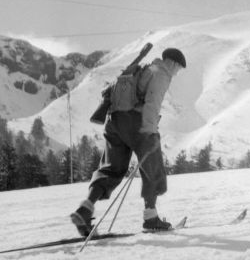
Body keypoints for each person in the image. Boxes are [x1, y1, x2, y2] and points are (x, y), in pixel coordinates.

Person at [70, 47, 186, 235]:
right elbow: (152, 104)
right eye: (178, 68)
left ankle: (86, 208)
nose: (177, 72)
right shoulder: (161, 74)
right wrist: (150, 133)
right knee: (153, 167)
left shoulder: (143, 69)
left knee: (111, 168)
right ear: (172, 63)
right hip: (135, 122)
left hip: (114, 121)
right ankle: (151, 218)